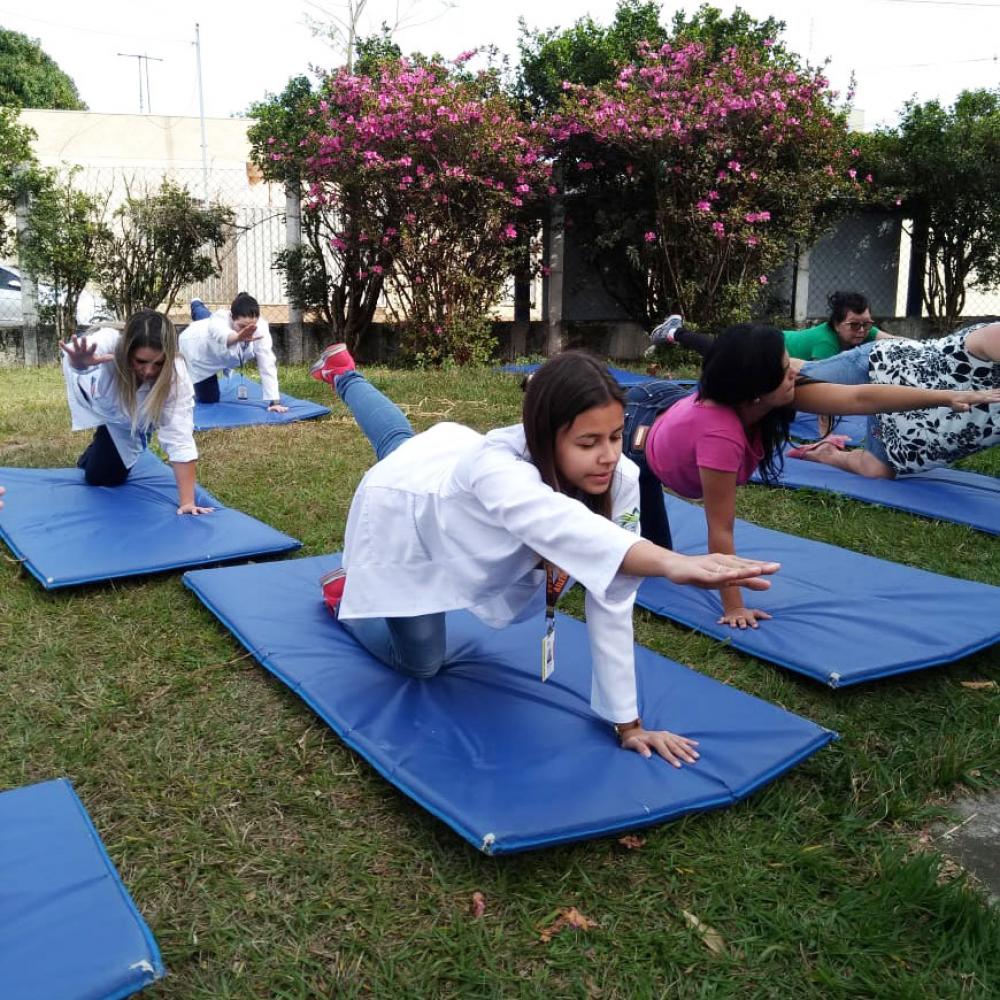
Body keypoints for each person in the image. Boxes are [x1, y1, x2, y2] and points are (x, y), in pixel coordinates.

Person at [309, 343, 782, 764]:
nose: (609, 456)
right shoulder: (498, 468)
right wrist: (670, 562)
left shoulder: (618, 479)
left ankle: (344, 372)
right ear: (543, 436)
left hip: (444, 457)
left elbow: (612, 594)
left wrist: (628, 724)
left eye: (616, 436)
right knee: (421, 664)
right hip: (410, 522)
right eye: (588, 442)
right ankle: (346, 592)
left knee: (399, 442)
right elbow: (560, 524)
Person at [626, 322, 1000, 630]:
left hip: (667, 405)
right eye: (784, 368)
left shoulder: (769, 396)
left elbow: (859, 399)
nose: (795, 371)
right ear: (755, 392)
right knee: (648, 559)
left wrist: (947, 397)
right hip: (636, 435)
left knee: (658, 557)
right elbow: (720, 529)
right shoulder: (719, 434)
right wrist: (734, 606)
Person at [790, 321, 1000, 478]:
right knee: (802, 378)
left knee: (876, 471)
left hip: (924, 422)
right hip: (887, 365)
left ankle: (826, 453)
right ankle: (761, 356)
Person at [59, 309, 213, 516]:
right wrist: (79, 363)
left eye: (158, 363)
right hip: (100, 403)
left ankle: (103, 446)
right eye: (140, 361)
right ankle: (103, 440)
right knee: (100, 472)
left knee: (103, 477)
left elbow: (180, 436)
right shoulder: (109, 340)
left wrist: (187, 502)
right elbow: (74, 354)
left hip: (129, 420)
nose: (148, 371)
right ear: (127, 350)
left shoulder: (176, 374)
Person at [180, 294, 289, 413]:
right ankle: (196, 304)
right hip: (198, 349)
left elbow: (267, 361)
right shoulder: (219, 320)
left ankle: (198, 307)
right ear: (231, 317)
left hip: (215, 342)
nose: (247, 330)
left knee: (206, 318)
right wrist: (238, 337)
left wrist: (274, 401)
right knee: (209, 400)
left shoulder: (260, 326)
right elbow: (222, 336)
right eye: (242, 326)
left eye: (251, 326)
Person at [782, 291, 897, 360]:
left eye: (866, 323)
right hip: (774, 346)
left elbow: (898, 342)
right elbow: (820, 385)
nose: (861, 330)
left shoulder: (864, 329)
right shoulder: (826, 344)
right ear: (837, 325)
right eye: (854, 324)